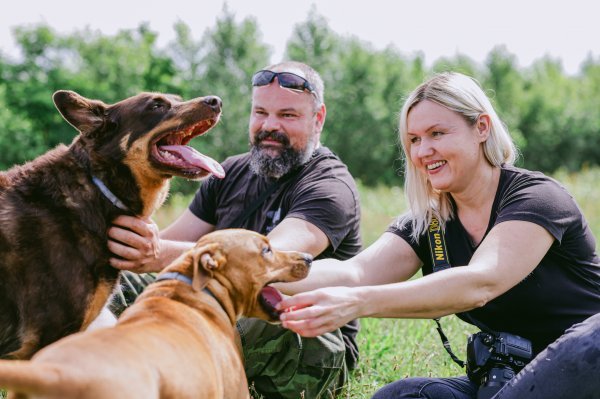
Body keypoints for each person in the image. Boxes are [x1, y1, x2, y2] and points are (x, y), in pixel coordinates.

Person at [276, 71, 600, 399]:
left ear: (482, 128)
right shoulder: (430, 223)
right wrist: (259, 270)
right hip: (517, 376)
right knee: (398, 397)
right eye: (414, 139)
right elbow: (356, 273)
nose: (423, 150)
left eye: (437, 133)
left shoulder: (537, 197)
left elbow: (481, 282)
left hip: (587, 357)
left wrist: (356, 304)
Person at [106, 61, 362, 399]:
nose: (270, 126)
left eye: (287, 115)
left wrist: (158, 253)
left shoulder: (330, 186)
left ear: (318, 119)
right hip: (218, 311)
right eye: (261, 112)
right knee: (111, 280)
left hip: (307, 341)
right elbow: (166, 246)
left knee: (231, 310)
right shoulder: (230, 171)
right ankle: (86, 371)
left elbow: (269, 261)